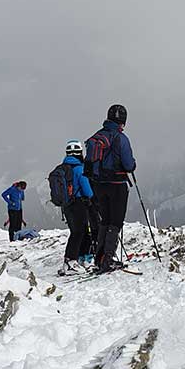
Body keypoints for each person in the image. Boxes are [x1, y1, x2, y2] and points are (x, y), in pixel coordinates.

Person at [85, 104, 136, 273]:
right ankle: (108, 259)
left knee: (105, 220)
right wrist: (132, 165)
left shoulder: (97, 137)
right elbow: (129, 164)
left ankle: (99, 259)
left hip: (98, 185)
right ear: (123, 121)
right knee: (115, 222)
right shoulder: (121, 138)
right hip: (117, 185)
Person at [58, 140, 95, 275]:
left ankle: (76, 259)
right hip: (79, 203)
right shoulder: (79, 168)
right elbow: (87, 190)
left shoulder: (63, 168)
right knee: (80, 232)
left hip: (67, 205)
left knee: (78, 231)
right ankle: (73, 261)